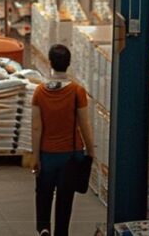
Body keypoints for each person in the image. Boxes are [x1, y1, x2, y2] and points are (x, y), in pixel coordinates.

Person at [32, 44, 96, 236]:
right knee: (65, 199)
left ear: (50, 63)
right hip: (70, 156)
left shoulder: (39, 92)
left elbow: (36, 127)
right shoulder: (77, 91)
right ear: (69, 64)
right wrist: (90, 151)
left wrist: (35, 157)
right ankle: (61, 232)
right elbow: (84, 124)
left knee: (43, 194)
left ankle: (43, 228)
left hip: (46, 154)